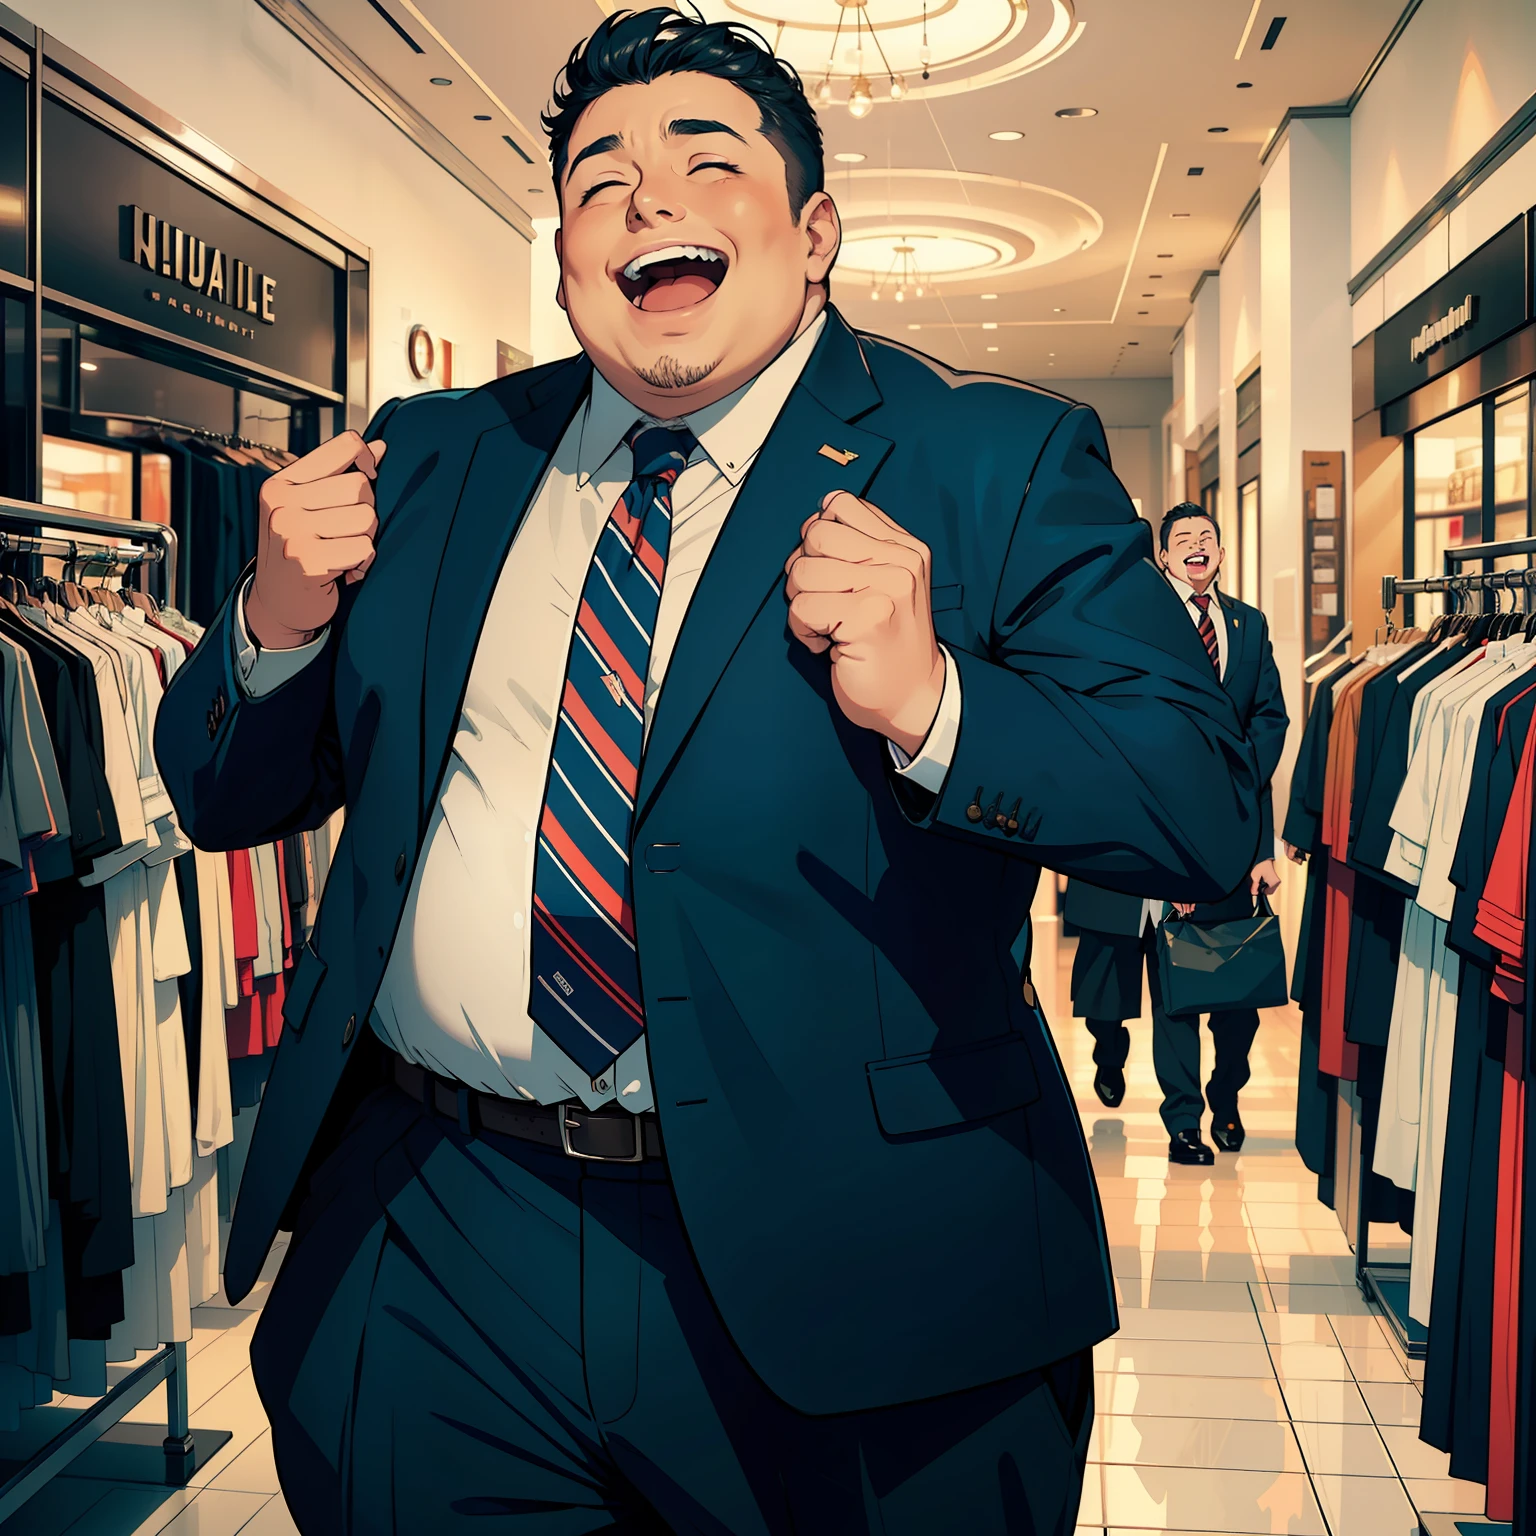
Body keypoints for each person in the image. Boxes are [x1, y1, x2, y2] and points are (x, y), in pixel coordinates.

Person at [155, 15, 1260, 1532]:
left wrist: (941, 703)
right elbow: (223, 798)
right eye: (599, 174)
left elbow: (1200, 806)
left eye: (704, 161)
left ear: (813, 234)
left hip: (859, 1270)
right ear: (564, 255)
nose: (645, 198)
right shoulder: (436, 460)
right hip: (440, 1246)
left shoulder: (994, 460)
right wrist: (270, 628)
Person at [1064, 503, 1289, 1165]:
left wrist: (1251, 823)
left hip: (1224, 831)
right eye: (1182, 540)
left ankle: (1214, 1102)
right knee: (1115, 985)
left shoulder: (1248, 627)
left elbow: (1268, 719)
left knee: (1213, 982)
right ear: (1163, 558)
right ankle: (1127, 1067)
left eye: (1207, 537)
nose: (1197, 546)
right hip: (1134, 829)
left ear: (1220, 552)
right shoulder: (1131, 622)